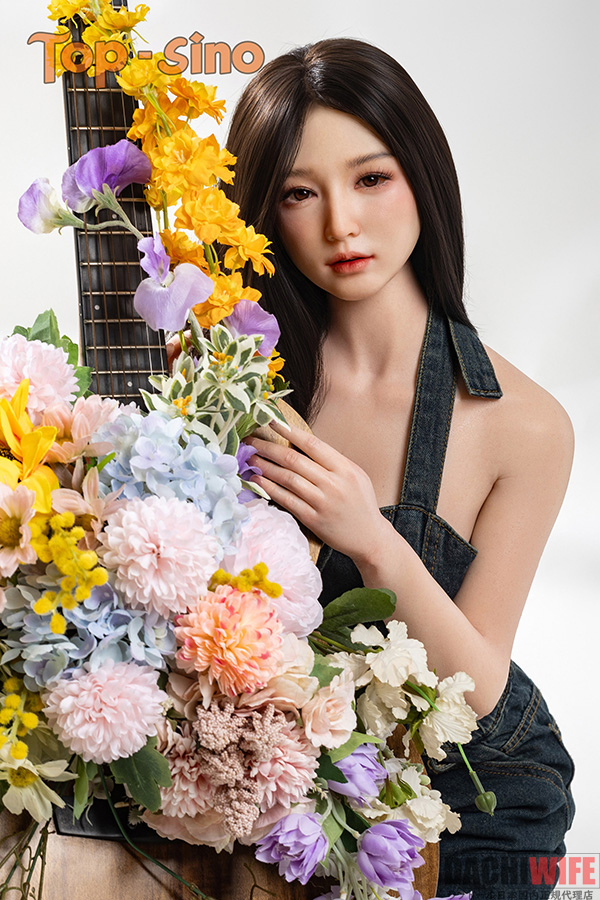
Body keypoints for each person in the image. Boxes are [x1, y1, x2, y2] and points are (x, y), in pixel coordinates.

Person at [221, 38, 576, 899]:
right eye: (300, 194)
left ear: (422, 176)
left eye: (371, 178)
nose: (340, 225)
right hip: (286, 798)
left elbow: (479, 689)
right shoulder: (235, 387)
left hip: (478, 796)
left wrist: (371, 540)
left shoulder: (524, 426)